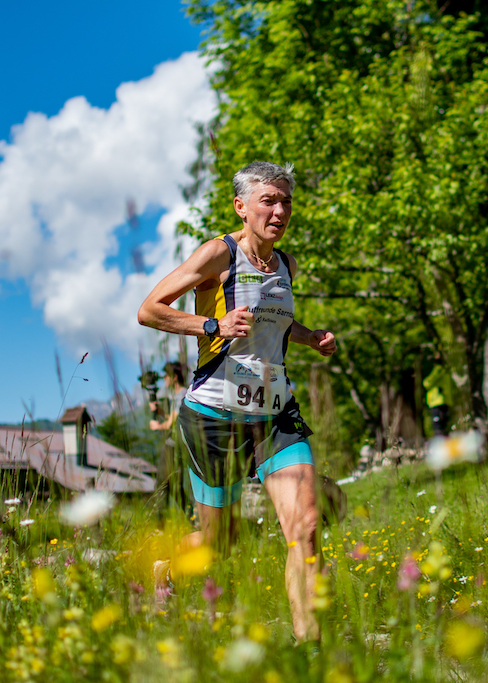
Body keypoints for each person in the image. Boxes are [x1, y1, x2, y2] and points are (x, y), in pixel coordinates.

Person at [137, 160, 336, 641]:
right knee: (218, 543)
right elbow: (149, 310)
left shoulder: (286, 265)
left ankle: (310, 650)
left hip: (274, 415)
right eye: (269, 200)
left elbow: (276, 321)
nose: (280, 211)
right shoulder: (217, 255)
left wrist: (311, 337)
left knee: (306, 527)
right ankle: (165, 568)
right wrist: (213, 325)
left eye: (286, 201)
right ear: (241, 206)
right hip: (214, 416)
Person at [148, 361, 187, 517]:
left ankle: (160, 523)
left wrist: (156, 426)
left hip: (174, 445)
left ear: (174, 377)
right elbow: (172, 419)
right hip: (175, 444)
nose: (164, 379)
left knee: (161, 484)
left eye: (166, 375)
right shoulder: (177, 395)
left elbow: (170, 424)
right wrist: (159, 411)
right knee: (174, 486)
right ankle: (192, 517)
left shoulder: (182, 395)